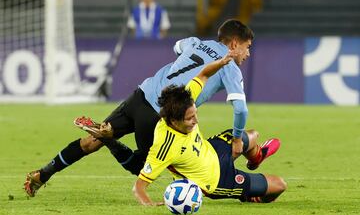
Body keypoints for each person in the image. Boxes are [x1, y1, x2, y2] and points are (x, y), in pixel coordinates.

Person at [24, 19, 255, 197]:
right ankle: (109, 138)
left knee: (89, 143)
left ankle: (42, 174)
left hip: (141, 94)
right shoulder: (229, 66)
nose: (247, 54)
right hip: (160, 115)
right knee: (143, 168)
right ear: (234, 43)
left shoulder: (195, 43)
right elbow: (241, 109)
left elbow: (177, 47)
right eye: (247, 47)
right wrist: (236, 139)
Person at [133, 51, 286, 205]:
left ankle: (257, 156)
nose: (196, 120)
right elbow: (139, 187)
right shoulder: (164, 146)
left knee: (252, 135)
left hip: (213, 149)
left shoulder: (185, 99)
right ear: (173, 120)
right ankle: (251, 196)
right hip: (215, 180)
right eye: (190, 118)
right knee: (279, 185)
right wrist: (149, 203)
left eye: (195, 114)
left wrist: (221, 62)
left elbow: (204, 74)